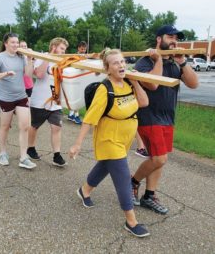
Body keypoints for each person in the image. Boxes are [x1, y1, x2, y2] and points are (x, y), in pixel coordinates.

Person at [69, 48, 150, 238]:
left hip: (123, 140)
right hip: (108, 139)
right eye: (116, 63)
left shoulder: (129, 84)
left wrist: (137, 82)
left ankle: (84, 191)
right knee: (123, 178)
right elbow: (89, 119)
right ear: (107, 68)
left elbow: (144, 102)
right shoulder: (104, 89)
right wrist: (77, 144)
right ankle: (131, 221)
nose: (121, 65)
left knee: (105, 166)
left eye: (122, 61)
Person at [131, 25, 198, 214]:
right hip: (149, 117)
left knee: (158, 159)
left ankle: (149, 195)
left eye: (176, 37)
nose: (174, 40)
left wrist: (183, 62)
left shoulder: (176, 64)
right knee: (160, 158)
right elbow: (152, 84)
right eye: (170, 36)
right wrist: (158, 59)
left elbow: (194, 84)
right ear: (159, 39)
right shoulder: (145, 62)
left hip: (168, 117)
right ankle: (133, 182)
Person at [0, 33, 36, 170]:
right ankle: (3, 153)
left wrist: (29, 60)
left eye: (17, 42)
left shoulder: (21, 56)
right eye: (13, 42)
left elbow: (28, 75)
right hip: (6, 97)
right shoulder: (0, 57)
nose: (16, 45)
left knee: (25, 126)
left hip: (21, 95)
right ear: (6, 43)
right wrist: (6, 73)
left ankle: (23, 157)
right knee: (5, 126)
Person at [27, 37, 69, 166]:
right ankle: (30, 148)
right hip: (40, 99)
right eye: (62, 48)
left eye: (65, 49)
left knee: (56, 127)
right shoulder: (41, 56)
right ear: (54, 46)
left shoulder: (62, 61)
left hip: (55, 101)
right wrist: (49, 57)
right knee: (34, 126)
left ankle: (57, 155)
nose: (63, 51)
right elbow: (39, 74)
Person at [67, 41, 88, 125]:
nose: (83, 50)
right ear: (78, 48)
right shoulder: (74, 56)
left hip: (82, 78)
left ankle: (71, 114)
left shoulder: (85, 56)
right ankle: (76, 116)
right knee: (76, 97)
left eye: (85, 49)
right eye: (82, 49)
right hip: (75, 79)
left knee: (76, 97)